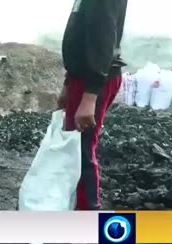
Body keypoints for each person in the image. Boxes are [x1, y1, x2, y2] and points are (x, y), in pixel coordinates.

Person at [58, 0, 128, 211]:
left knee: (82, 148)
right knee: (75, 145)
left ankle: (88, 217)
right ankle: (74, 206)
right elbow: (81, 37)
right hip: (82, 78)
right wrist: (68, 83)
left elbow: (102, 40)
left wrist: (90, 96)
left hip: (94, 80)